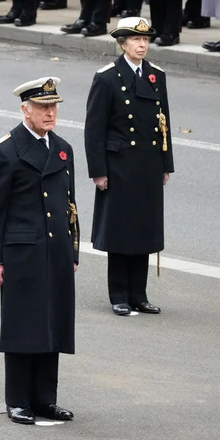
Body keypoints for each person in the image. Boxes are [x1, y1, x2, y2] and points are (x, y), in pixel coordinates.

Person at [0, 77, 78, 425]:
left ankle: (45, 399)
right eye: (43, 107)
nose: (50, 113)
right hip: (22, 253)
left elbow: (69, 205)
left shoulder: (62, 148)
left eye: (54, 107)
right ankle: (18, 400)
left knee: (53, 323)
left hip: (56, 250)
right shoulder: (4, 151)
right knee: (23, 325)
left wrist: (72, 250)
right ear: (25, 110)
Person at [85, 17, 173, 316]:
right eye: (136, 40)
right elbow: (94, 130)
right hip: (119, 165)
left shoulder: (156, 75)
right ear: (122, 44)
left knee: (144, 229)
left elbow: (164, 124)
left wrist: (165, 164)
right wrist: (99, 171)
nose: (142, 45)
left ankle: (139, 294)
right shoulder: (107, 78)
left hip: (148, 164)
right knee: (121, 231)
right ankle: (119, 295)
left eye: (145, 40)